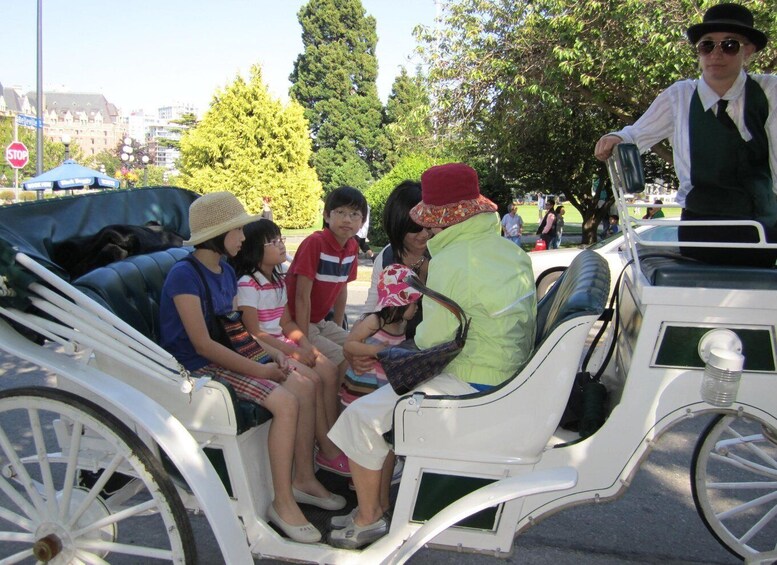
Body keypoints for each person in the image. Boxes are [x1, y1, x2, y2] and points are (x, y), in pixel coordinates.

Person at [326, 163, 537, 549]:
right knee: (377, 404)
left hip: (470, 376)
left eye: (432, 222)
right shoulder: (510, 252)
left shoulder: (452, 261)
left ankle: (368, 516)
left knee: (359, 416)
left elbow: (432, 341)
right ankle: (379, 505)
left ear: (443, 220)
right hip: (506, 371)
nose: (429, 231)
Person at [159, 192, 344, 544]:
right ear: (217, 234)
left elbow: (235, 330)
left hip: (226, 354)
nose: (243, 238)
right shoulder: (185, 276)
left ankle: (303, 477)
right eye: (237, 230)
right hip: (194, 368)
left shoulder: (224, 270)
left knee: (305, 384)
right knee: (286, 400)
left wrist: (274, 356)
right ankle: (282, 501)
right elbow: (202, 344)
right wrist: (261, 370)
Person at [594, 3, 777, 268]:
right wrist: (616, 138)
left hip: (759, 228)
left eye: (729, 45)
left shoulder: (769, 91)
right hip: (701, 225)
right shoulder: (680, 95)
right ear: (699, 52)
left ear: (747, 50)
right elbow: (636, 133)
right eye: (707, 45)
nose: (716, 53)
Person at [230, 219, 349, 476]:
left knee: (329, 370)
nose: (281, 245)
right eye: (273, 242)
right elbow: (255, 332)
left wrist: (306, 344)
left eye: (281, 239)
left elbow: (286, 322)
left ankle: (331, 435)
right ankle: (326, 447)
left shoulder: (277, 280)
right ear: (254, 249)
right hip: (265, 348)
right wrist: (293, 352)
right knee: (314, 379)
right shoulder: (248, 284)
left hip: (284, 343)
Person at [286, 186, 368, 381]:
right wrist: (303, 340)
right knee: (344, 359)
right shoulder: (315, 243)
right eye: (340, 212)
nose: (347, 219)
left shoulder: (352, 247)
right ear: (326, 215)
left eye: (354, 214)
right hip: (299, 323)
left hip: (322, 322)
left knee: (359, 349)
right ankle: (340, 408)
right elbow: (301, 295)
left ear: (362, 221)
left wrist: (338, 328)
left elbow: (342, 290)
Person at [341, 264, 422, 407]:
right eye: (414, 303)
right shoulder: (375, 321)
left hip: (382, 386)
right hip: (363, 385)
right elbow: (349, 343)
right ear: (398, 304)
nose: (416, 308)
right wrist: (374, 351)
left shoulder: (402, 325)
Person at [363, 181, 430, 340]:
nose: (424, 234)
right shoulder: (387, 257)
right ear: (397, 224)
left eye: (428, 226)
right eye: (414, 228)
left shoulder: (443, 255)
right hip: (394, 349)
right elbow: (372, 308)